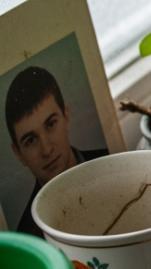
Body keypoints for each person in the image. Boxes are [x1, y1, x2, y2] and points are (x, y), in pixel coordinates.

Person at [6, 65, 107, 236]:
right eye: (30, 140)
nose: (46, 150)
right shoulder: (27, 238)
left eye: (51, 124)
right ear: (18, 154)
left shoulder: (111, 159)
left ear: (66, 117)